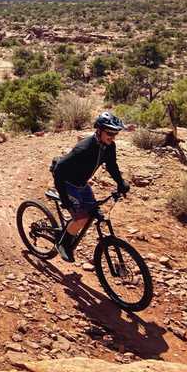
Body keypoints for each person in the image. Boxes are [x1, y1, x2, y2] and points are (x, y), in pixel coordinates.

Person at [52, 112, 130, 262]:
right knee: (82, 218)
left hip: (82, 184)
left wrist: (120, 182)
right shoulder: (84, 148)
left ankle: (69, 230)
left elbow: (112, 166)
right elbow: (59, 170)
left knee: (94, 211)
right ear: (99, 131)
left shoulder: (109, 146)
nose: (112, 137)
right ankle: (63, 243)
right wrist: (64, 198)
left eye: (115, 134)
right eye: (109, 133)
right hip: (67, 184)